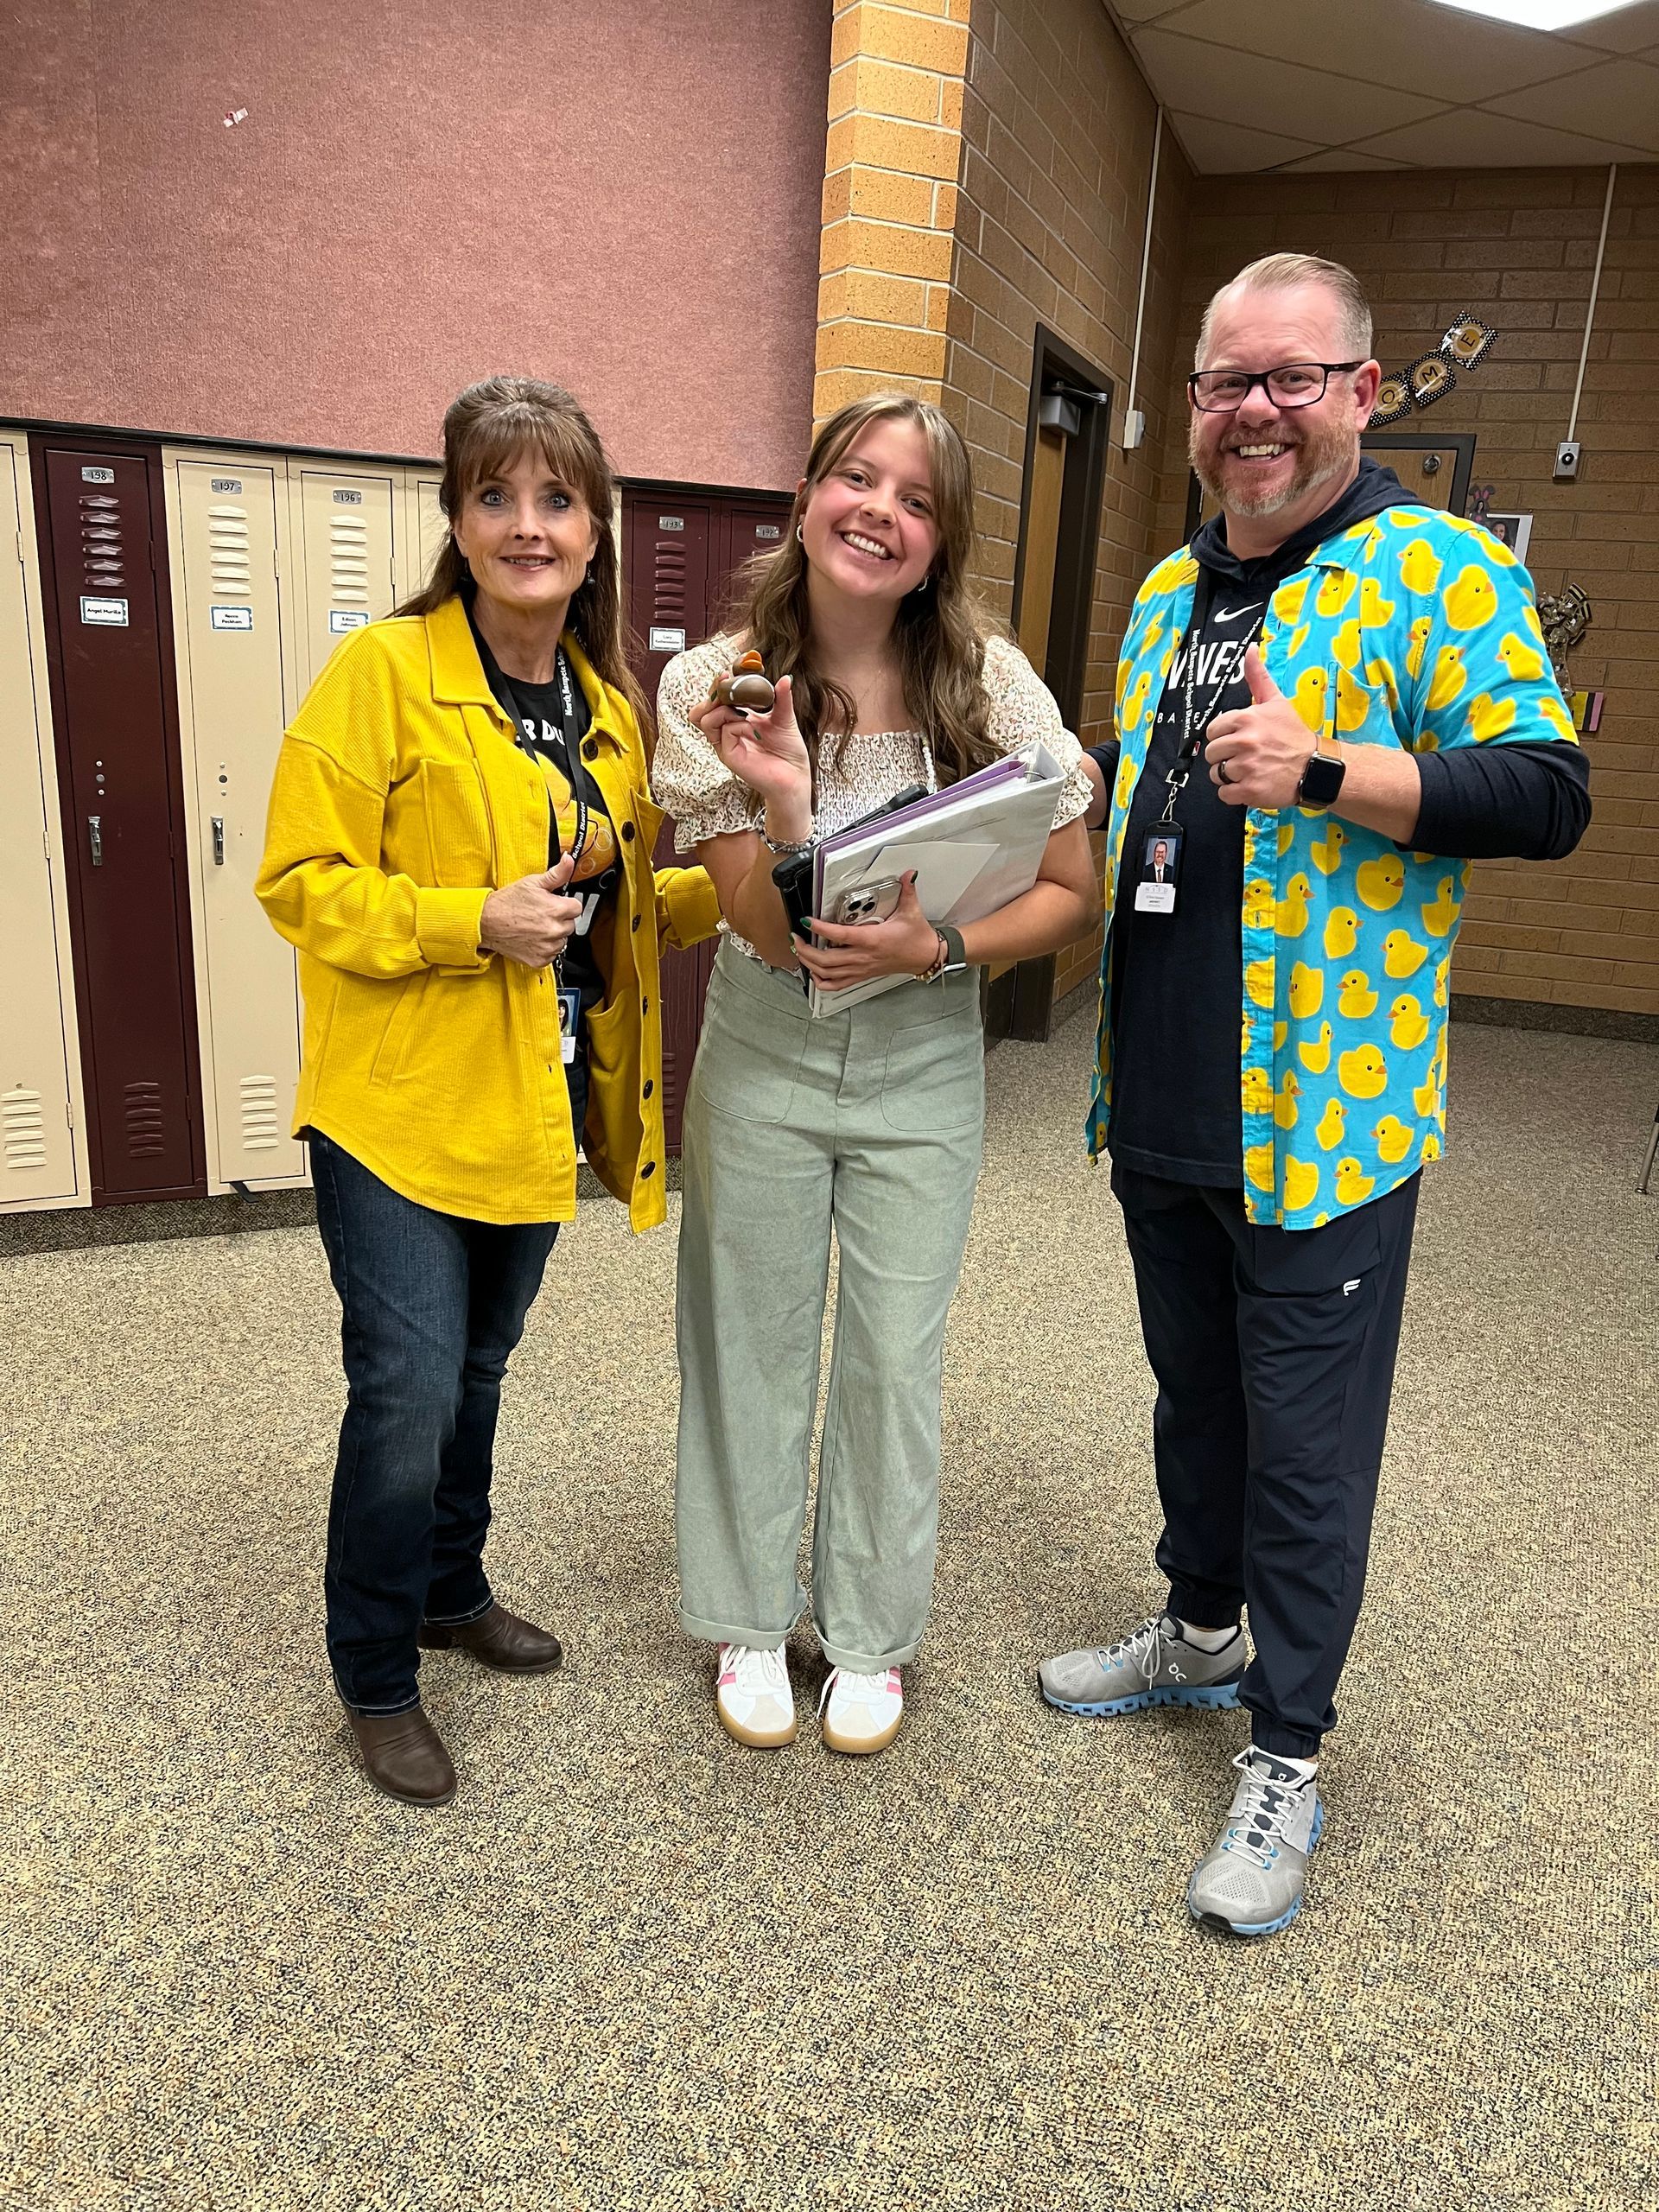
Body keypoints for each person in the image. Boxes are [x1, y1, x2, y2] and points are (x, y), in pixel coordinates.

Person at [1049, 255, 1589, 1935]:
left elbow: (1547, 789)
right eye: (1227, 382)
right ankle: (1197, 1630)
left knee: (1305, 1452)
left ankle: (1286, 1748)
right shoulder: (1159, 596)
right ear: (1197, 406)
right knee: (1194, 1404)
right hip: (1166, 1100)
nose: (1255, 411)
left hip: (1327, 1116)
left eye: (1293, 377)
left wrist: (1334, 771)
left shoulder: (1437, 572)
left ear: (1361, 390)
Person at [257, 377, 719, 1807]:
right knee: (401, 1387)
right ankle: (376, 1672)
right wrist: (471, 921)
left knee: (476, 1370)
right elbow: (297, 883)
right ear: (456, 522)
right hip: (395, 1111)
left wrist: (770, 883)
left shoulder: (605, 711)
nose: (529, 525)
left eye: (558, 500)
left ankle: (452, 1587)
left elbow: (619, 904)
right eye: (497, 496)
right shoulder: (381, 675)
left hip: (533, 1112)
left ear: (597, 533)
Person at [653, 393, 1096, 1758]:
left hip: (922, 1056)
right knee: (750, 1336)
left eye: (915, 498)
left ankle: (869, 1637)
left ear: (940, 539)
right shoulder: (715, 684)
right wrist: (788, 803)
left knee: (895, 1357)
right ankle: (743, 1615)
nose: (880, 512)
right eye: (858, 478)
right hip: (768, 1043)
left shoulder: (992, 683)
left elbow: (1071, 889)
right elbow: (771, 931)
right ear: (806, 496)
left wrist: (940, 944)